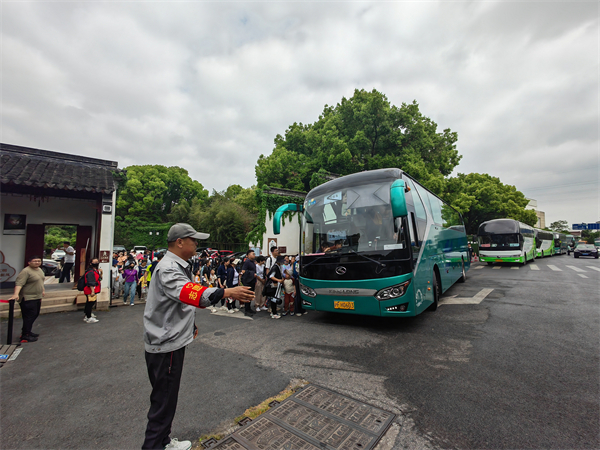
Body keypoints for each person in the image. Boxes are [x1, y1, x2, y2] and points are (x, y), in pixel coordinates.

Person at [142, 223, 253, 450]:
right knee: (163, 402)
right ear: (180, 242)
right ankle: (154, 445)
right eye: (193, 240)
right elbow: (190, 293)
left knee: (166, 398)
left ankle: (163, 441)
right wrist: (227, 292)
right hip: (166, 346)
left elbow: (181, 300)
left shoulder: (177, 265)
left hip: (169, 340)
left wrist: (190, 324)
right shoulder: (169, 268)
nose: (197, 244)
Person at [9, 255, 45, 342]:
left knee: (35, 314)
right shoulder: (26, 271)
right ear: (29, 262)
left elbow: (41, 281)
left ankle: (28, 331)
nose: (37, 262)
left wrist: (43, 290)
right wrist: (15, 294)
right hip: (28, 297)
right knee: (29, 316)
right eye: (35, 261)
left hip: (37, 296)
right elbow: (19, 283)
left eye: (39, 261)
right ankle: (25, 335)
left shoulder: (39, 270)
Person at [82, 258, 102, 323]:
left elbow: (99, 279)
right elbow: (90, 282)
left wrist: (101, 273)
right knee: (90, 303)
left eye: (97, 261)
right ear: (90, 263)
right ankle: (88, 317)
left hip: (95, 289)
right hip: (90, 290)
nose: (96, 263)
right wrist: (92, 291)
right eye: (94, 262)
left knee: (90, 302)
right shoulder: (90, 272)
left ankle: (87, 315)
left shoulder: (95, 271)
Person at [266, 255, 285, 319]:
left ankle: (274, 312)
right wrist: (279, 280)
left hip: (276, 285)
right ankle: (273, 313)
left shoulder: (278, 266)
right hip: (273, 285)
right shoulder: (275, 267)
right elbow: (271, 276)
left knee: (275, 298)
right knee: (274, 299)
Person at [240, 250, 258, 317]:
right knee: (247, 296)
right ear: (248, 255)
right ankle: (246, 310)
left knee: (250, 295)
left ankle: (249, 308)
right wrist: (252, 274)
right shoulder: (247, 262)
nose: (254, 255)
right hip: (247, 281)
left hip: (252, 281)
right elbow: (243, 271)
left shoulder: (253, 262)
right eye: (253, 254)